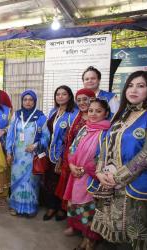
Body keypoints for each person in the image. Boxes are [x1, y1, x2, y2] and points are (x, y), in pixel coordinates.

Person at [90, 71, 147, 250]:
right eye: (130, 85)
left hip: (138, 186)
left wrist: (117, 178)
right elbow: (105, 143)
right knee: (113, 234)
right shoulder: (121, 115)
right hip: (110, 185)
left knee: (134, 237)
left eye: (141, 86)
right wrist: (99, 172)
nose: (134, 90)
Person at [63, 99, 111, 250]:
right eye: (91, 111)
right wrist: (71, 165)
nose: (93, 114)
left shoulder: (107, 133)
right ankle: (83, 235)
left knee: (90, 210)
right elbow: (72, 148)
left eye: (98, 111)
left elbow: (104, 157)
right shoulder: (85, 129)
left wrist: (85, 170)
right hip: (76, 175)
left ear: (106, 113)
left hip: (93, 179)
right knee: (77, 206)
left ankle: (90, 240)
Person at [55, 88, 96, 234]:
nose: (82, 103)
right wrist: (66, 161)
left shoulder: (98, 118)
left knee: (86, 198)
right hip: (71, 161)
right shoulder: (76, 116)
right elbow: (69, 140)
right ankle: (74, 225)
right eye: (79, 100)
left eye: (86, 99)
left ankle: (87, 231)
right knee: (72, 195)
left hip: (88, 165)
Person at [6, 90, 49, 217]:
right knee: (16, 181)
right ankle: (15, 206)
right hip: (17, 156)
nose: (28, 102)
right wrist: (9, 152)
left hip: (32, 156)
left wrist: (35, 145)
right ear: (22, 101)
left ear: (35, 101)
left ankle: (30, 208)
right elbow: (10, 135)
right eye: (25, 99)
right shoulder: (16, 115)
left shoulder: (41, 117)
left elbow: (46, 137)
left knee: (31, 182)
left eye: (31, 100)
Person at [43, 85, 78, 221]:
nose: (60, 97)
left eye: (64, 94)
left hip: (63, 155)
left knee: (61, 182)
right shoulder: (53, 111)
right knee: (50, 181)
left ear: (69, 96)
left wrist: (63, 157)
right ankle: (51, 206)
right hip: (49, 153)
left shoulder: (73, 113)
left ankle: (62, 209)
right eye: (58, 94)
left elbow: (72, 137)